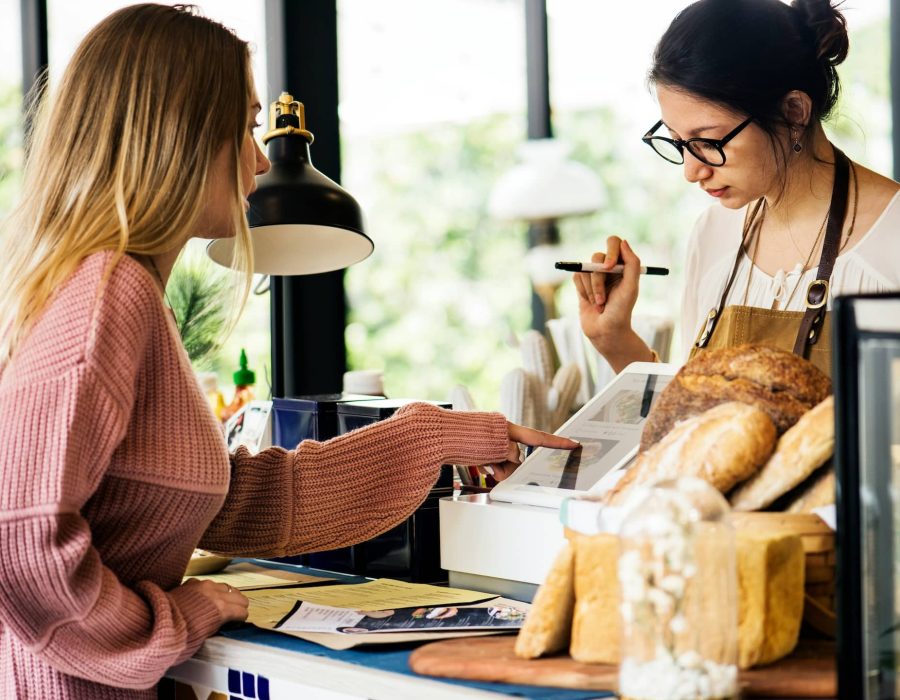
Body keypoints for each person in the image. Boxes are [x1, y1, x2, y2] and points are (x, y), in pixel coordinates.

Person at [0, 5, 577, 698]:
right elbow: (19, 538)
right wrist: (168, 624)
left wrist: (429, 435)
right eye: (244, 127)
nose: (255, 159)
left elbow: (226, 502)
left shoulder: (116, 291)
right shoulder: (106, 294)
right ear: (175, 134)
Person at [576, 0, 900, 377]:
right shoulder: (713, 233)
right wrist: (615, 340)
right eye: (678, 142)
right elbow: (693, 420)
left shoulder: (892, 239)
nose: (692, 171)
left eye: (708, 141)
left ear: (794, 111)